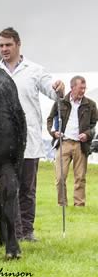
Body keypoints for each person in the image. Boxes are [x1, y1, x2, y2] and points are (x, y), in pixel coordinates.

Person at [0, 27, 64, 242]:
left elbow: (53, 92)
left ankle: (27, 231)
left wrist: (59, 88)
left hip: (29, 139)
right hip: (1, 142)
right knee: (6, 190)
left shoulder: (34, 70)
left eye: (8, 45)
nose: (4, 49)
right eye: (1, 45)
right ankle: (12, 232)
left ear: (18, 44)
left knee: (27, 189)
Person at [47, 76, 98, 207]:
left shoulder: (91, 105)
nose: (83, 91)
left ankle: (79, 205)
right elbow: (50, 119)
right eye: (80, 88)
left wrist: (87, 135)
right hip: (63, 143)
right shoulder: (60, 102)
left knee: (80, 178)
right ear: (72, 87)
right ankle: (62, 205)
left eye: (84, 88)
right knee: (60, 178)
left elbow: (94, 126)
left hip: (81, 145)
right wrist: (53, 133)